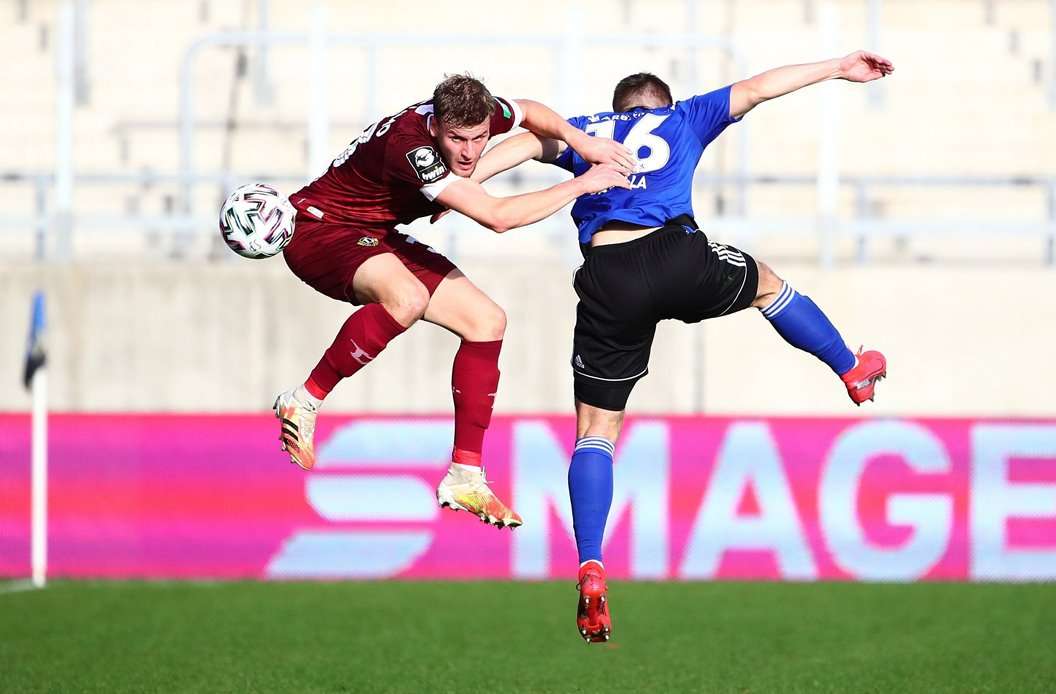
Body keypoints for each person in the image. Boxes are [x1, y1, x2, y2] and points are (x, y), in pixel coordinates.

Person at [472, 51, 894, 638]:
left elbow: (522, 142)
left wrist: (466, 177)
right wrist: (836, 67)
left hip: (607, 275)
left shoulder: (584, 132)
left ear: (616, 109)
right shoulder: (685, 118)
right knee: (767, 284)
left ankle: (591, 563)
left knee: (595, 432)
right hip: (675, 255)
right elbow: (760, 85)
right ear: (662, 106)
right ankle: (849, 368)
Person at [273, 74, 635, 530]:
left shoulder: (475, 112)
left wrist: (582, 142)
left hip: (373, 234)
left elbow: (527, 109)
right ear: (435, 127)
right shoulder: (413, 148)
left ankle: (466, 474)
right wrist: (584, 183)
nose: (468, 151)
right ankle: (303, 400)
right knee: (406, 298)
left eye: (479, 138)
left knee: (486, 321)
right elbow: (498, 218)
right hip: (321, 231)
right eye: (456, 139)